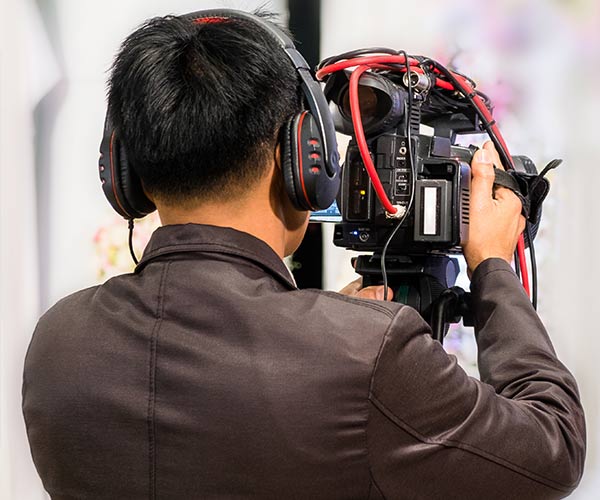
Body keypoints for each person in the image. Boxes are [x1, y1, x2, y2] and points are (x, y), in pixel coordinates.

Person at [22, 9, 585, 500]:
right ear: (302, 155)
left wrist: (330, 327)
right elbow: (552, 449)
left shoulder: (57, 344)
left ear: (125, 170)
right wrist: (492, 266)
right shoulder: (367, 353)